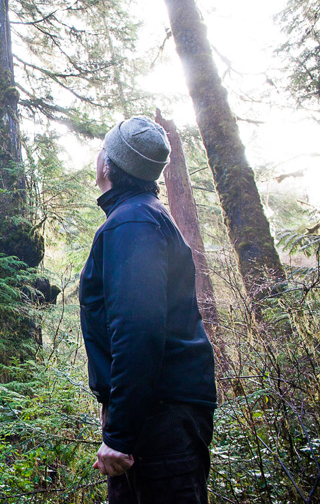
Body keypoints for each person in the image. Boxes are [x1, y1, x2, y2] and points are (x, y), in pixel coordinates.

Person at [79, 116, 217, 503]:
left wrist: (120, 432)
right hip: (156, 412)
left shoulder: (133, 223)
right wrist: (116, 410)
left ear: (109, 165)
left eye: (103, 148)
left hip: (160, 417)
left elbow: (139, 332)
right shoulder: (140, 217)